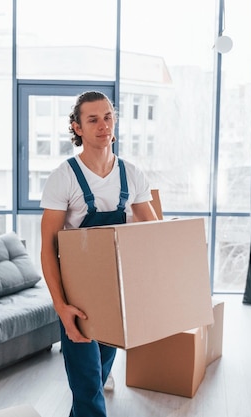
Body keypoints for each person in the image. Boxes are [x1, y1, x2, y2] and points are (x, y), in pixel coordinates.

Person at [40, 91, 158, 417]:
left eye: (107, 117)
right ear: (77, 128)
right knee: (87, 385)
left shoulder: (132, 174)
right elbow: (48, 248)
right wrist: (61, 306)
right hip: (77, 294)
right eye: (92, 119)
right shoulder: (63, 177)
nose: (103, 125)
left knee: (96, 379)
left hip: (114, 292)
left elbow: (154, 234)